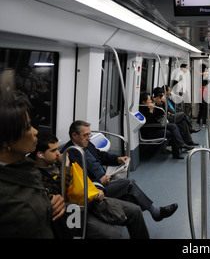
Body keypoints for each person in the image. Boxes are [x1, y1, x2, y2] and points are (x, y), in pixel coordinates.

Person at [31, 132, 150, 239]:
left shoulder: (58, 163)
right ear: (40, 155)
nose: (58, 153)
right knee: (113, 235)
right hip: (76, 210)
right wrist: (66, 168)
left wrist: (97, 188)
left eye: (57, 149)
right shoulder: (37, 176)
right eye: (53, 151)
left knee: (135, 210)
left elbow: (83, 178)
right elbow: (60, 193)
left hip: (91, 200)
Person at [62, 120, 179, 221]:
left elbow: (100, 155)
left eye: (89, 135)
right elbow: (77, 181)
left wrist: (118, 159)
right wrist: (99, 181)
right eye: (85, 135)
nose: (89, 138)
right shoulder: (69, 154)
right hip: (96, 189)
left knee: (132, 200)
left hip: (105, 179)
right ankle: (156, 212)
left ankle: (148, 213)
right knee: (129, 183)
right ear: (74, 135)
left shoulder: (86, 144)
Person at [0, 97, 65, 238]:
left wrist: (49, 201)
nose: (35, 131)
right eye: (28, 127)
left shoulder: (25, 165)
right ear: (6, 142)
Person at [139, 92, 193, 159]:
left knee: (174, 127)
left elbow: (159, 114)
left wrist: (158, 105)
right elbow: (147, 122)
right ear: (143, 102)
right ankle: (178, 150)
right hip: (151, 130)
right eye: (149, 100)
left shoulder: (148, 107)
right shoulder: (141, 109)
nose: (151, 101)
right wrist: (151, 110)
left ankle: (180, 146)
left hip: (157, 127)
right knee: (172, 132)